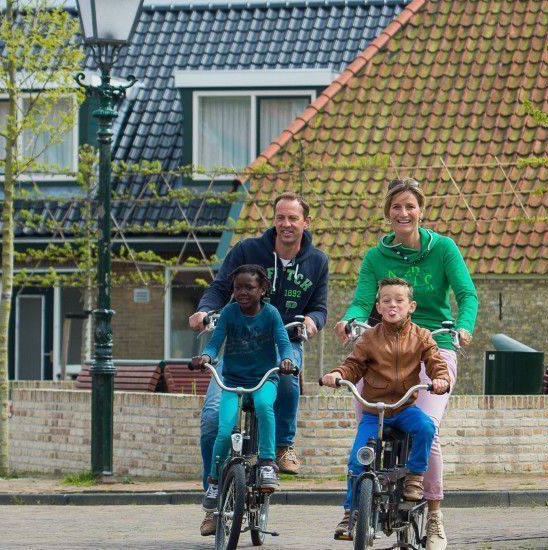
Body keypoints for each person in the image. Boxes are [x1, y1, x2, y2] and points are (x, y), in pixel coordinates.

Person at [332, 178, 477, 548]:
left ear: (421, 210)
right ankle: (359, 503)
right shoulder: (375, 257)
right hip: (383, 348)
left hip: (434, 345)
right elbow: (362, 301)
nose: (403, 213)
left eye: (410, 206)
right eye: (396, 207)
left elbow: (466, 294)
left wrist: (462, 327)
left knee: (427, 427)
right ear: (388, 213)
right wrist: (350, 321)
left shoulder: (443, 248)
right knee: (367, 421)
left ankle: (434, 517)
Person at [190, 192, 329, 535]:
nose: (286, 224)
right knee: (211, 420)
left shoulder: (317, 261)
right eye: (280, 217)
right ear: (274, 220)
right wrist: (205, 310)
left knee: (287, 378)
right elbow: (220, 288)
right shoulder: (247, 252)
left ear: (305, 223)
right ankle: (214, 495)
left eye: (293, 218)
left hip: (282, 343)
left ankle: (282, 447)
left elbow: (320, 308)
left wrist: (312, 321)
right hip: (236, 346)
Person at [322, 276, 452, 540]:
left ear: (411, 306)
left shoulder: (421, 336)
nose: (393, 306)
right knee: (358, 458)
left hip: (404, 408)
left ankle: (415, 476)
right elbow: (353, 365)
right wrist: (337, 374)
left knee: (426, 428)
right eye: (386, 301)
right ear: (378, 307)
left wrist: (441, 378)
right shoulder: (369, 338)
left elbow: (435, 361)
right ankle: (352, 513)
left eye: (399, 301)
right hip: (375, 411)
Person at [190, 264, 297, 520]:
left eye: (249, 287)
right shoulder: (229, 312)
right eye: (238, 287)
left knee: (263, 406)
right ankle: (215, 480)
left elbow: (284, 342)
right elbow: (216, 342)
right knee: (224, 428)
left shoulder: (271, 314)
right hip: (233, 382)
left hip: (263, 380)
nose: (242, 292)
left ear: (262, 289)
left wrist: (286, 360)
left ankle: (268, 463)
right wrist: (206, 356)